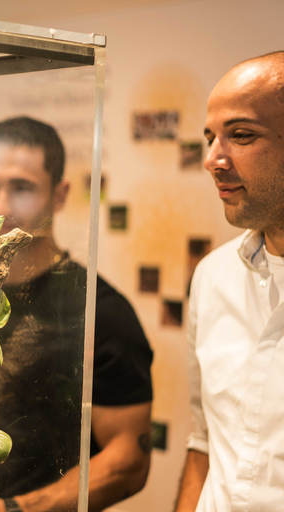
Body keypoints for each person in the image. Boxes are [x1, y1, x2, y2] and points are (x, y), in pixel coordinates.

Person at [0, 116, 153, 512]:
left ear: (59, 194)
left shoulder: (100, 310)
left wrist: (13, 509)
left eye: (21, 187)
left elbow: (129, 461)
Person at [175, 51, 284, 511]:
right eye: (209, 137)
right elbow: (204, 442)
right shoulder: (212, 276)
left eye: (241, 136)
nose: (212, 160)